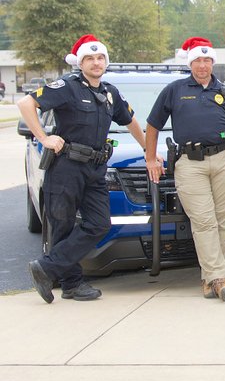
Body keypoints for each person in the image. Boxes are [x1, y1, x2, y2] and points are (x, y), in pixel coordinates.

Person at [20, 34, 150, 303]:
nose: (96, 62)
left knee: (99, 224)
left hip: (95, 168)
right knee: (63, 226)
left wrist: (148, 150)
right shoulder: (67, 86)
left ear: (105, 61)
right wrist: (44, 137)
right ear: (80, 62)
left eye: (100, 57)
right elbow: (26, 104)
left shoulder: (110, 93)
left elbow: (131, 120)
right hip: (67, 166)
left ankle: (46, 268)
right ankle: (72, 284)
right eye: (89, 58)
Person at [145, 37, 225, 302]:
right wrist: (150, 158)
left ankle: (211, 278)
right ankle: (218, 277)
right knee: (203, 221)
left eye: (207, 60)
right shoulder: (175, 90)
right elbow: (153, 125)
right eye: (197, 61)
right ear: (190, 62)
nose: (202, 65)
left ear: (212, 62)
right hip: (190, 164)